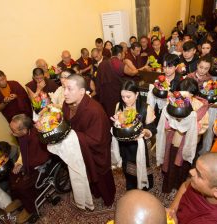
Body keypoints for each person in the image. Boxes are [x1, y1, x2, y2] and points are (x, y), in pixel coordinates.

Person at [62, 74, 116, 206]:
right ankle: (95, 192)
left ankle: (109, 198)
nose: (65, 93)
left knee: (101, 176)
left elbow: (98, 139)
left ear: (81, 92)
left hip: (97, 152)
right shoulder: (66, 104)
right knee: (86, 174)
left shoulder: (94, 110)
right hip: (80, 149)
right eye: (64, 88)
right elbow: (67, 122)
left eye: (69, 89)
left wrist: (72, 136)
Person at [156, 78, 209, 193]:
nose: (185, 95)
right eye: (183, 92)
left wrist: (192, 125)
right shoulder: (174, 102)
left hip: (188, 142)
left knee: (183, 165)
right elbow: (166, 120)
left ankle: (179, 186)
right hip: (174, 139)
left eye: (189, 93)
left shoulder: (200, 105)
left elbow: (204, 125)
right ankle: (168, 185)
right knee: (171, 161)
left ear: (193, 93)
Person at [111, 80, 156, 190]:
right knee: (128, 168)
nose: (125, 100)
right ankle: (131, 187)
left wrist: (145, 132)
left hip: (141, 145)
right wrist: (117, 123)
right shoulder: (119, 106)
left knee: (143, 167)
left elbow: (152, 128)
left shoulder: (146, 108)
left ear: (137, 94)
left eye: (128, 96)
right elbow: (117, 126)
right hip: (125, 145)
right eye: (122, 97)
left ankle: (145, 187)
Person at [7, 114, 51, 223]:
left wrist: (26, 168)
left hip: (40, 168)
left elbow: (42, 157)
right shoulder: (23, 135)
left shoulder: (36, 137)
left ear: (24, 130)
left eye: (13, 131)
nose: (11, 133)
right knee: (11, 174)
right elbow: (24, 152)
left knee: (21, 186)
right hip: (29, 165)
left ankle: (29, 209)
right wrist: (19, 162)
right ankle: (20, 199)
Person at [95, 45, 138, 119]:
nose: (124, 55)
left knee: (108, 115)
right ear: (119, 54)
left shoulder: (102, 64)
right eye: (124, 53)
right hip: (115, 95)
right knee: (117, 114)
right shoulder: (117, 63)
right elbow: (133, 72)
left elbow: (98, 81)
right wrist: (129, 63)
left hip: (104, 95)